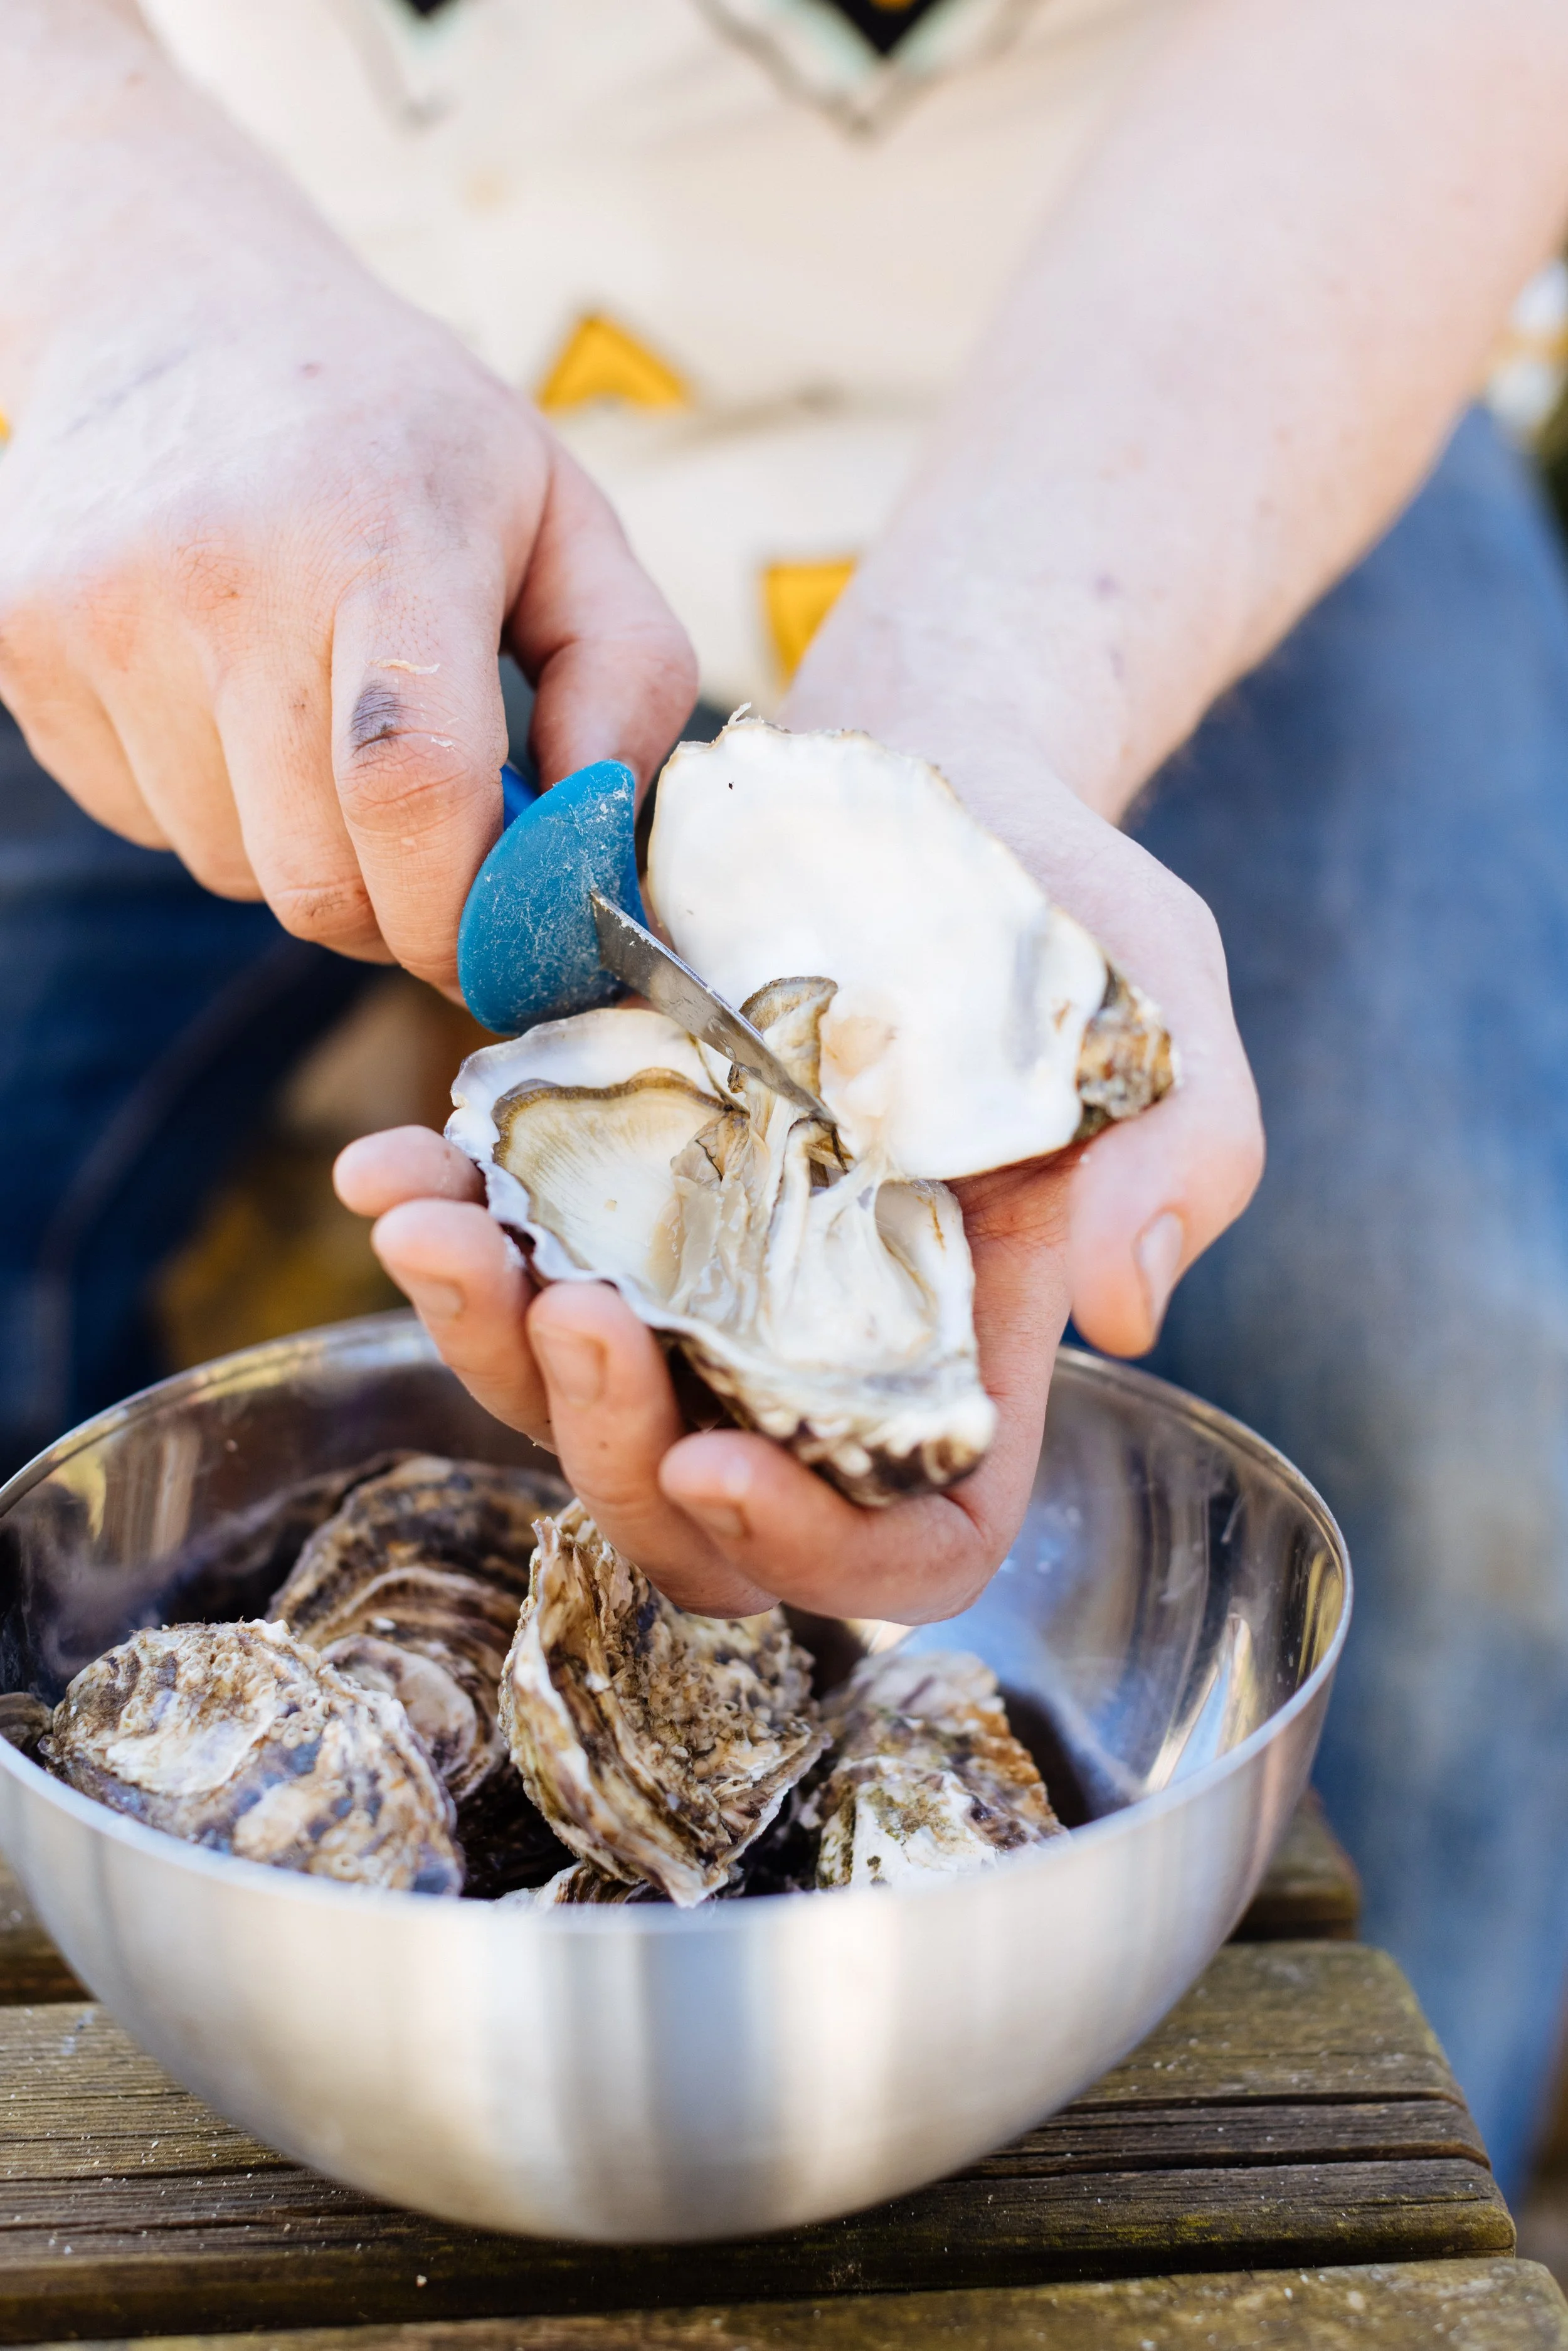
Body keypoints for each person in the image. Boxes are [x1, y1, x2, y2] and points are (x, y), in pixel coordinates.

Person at [4, 0, 1568, 2196]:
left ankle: (1368, 2218)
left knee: (1468, 1384)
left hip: (1196, 360)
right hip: (252, 357)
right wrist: (109, 266)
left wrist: (975, 720)